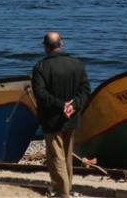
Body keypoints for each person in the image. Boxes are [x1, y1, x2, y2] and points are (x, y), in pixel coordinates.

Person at [31, 32, 91, 198]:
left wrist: (61, 105)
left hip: (52, 119)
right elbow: (85, 91)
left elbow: (40, 94)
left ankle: (62, 192)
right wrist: (73, 105)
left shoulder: (41, 67)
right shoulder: (77, 64)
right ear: (61, 44)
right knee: (67, 156)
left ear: (45, 47)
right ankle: (67, 188)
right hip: (71, 117)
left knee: (56, 157)